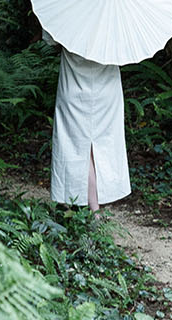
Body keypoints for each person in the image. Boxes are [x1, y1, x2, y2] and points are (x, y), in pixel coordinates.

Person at [43, 31, 130, 212]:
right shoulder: (115, 16)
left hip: (74, 88)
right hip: (107, 90)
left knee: (76, 146)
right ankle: (93, 204)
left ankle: (89, 205)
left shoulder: (67, 10)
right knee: (101, 145)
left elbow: (50, 39)